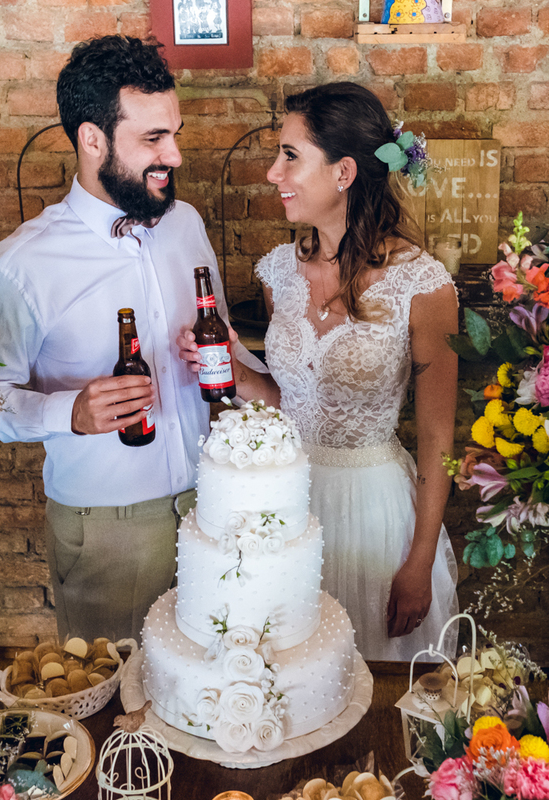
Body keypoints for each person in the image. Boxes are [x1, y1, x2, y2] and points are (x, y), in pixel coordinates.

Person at [0, 35, 259, 644]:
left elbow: (223, 348)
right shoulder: (20, 266)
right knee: (118, 696)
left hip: (213, 508)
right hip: (107, 532)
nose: (174, 155)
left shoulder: (186, 224)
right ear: (92, 139)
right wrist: (69, 413)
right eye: (153, 138)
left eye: (174, 133)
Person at [178, 82, 460, 660]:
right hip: (285, 505)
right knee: (290, 670)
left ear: (344, 172)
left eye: (290, 156)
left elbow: (437, 437)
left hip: (373, 510)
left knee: (369, 671)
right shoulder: (279, 272)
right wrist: (234, 367)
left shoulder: (423, 285)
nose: (272, 173)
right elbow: (293, 402)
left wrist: (420, 559)